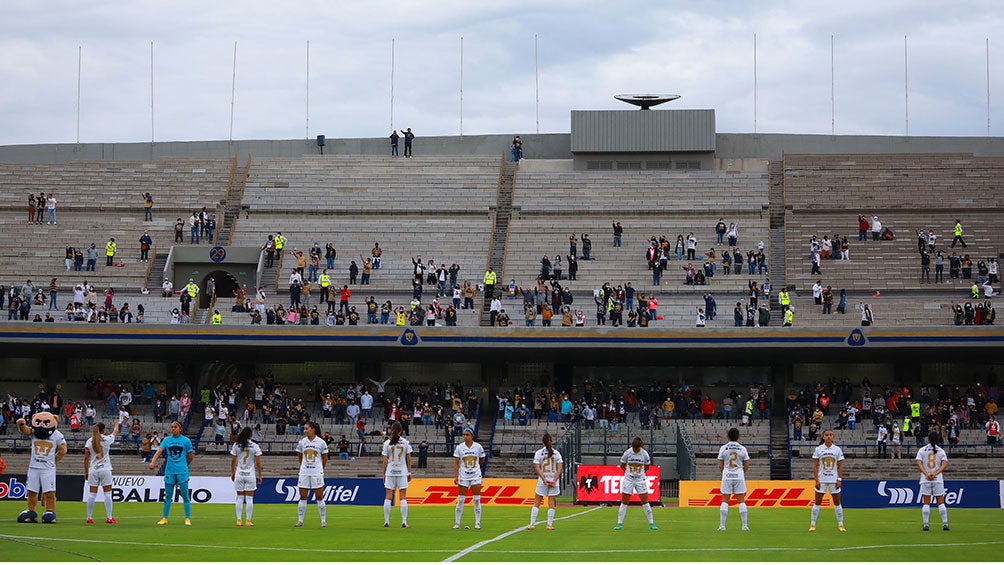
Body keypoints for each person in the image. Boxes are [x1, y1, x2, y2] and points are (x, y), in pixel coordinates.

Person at [149, 420, 194, 526]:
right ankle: (165, 518)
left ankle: (187, 518)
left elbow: (190, 455)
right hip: (170, 470)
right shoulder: (167, 440)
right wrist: (153, 461)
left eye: (175, 427)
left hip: (182, 470)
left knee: (185, 495)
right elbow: (159, 451)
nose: (173, 429)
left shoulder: (186, 441)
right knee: (168, 496)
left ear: (180, 429)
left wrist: (185, 465)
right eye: (172, 427)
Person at [614, 437, 657, 530]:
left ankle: (651, 523)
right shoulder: (627, 453)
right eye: (634, 448)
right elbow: (622, 465)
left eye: (637, 449)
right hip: (628, 479)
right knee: (625, 501)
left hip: (640, 479)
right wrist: (628, 473)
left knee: (645, 501)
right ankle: (619, 523)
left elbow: (647, 466)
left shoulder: (645, 454)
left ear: (640, 447)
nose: (635, 450)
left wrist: (640, 474)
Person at [84, 419, 121, 524]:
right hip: (105, 469)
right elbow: (115, 433)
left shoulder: (89, 441)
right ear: (103, 430)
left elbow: (86, 458)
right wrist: (116, 424)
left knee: (92, 494)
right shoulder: (106, 439)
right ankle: (109, 517)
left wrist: (86, 472)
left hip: (93, 470)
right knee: (108, 493)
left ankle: (89, 517)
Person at [809, 429, 845, 532]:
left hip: (834, 479)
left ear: (833, 437)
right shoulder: (818, 449)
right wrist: (816, 480)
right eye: (827, 435)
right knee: (818, 502)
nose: (829, 437)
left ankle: (841, 524)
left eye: (830, 435)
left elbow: (840, 466)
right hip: (822, 479)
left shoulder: (837, 450)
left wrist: (839, 479)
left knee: (837, 502)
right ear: (823, 437)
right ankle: (812, 524)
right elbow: (815, 466)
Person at [295, 421, 328, 527]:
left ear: (313, 429)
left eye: (306, 428)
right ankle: (300, 520)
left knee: (319, 496)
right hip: (304, 472)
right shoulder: (302, 442)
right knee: (303, 496)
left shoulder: (321, 442)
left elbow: (324, 458)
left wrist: (319, 468)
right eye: (304, 428)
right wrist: (303, 466)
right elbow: (300, 456)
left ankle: (323, 520)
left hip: (316, 473)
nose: (305, 430)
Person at [717, 427, 750, 531]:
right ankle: (744, 526)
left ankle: (722, 526)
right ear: (738, 437)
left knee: (725, 500)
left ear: (727, 436)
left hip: (727, 475)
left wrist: (725, 473)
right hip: (739, 475)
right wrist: (740, 473)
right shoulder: (742, 449)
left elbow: (720, 465)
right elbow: (747, 465)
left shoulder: (723, 448)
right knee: (741, 501)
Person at [453, 427, 486, 530]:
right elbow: (457, 462)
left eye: (467, 434)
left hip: (475, 474)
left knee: (476, 499)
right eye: (464, 434)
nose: (465, 436)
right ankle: (457, 523)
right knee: (461, 499)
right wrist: (456, 476)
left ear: (472, 436)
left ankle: (477, 522)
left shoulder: (478, 447)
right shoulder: (459, 447)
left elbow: (482, 459)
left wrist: (475, 468)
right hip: (463, 475)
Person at [528, 432, 563, 531]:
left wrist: (544, 479)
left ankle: (532, 524)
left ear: (542, 443)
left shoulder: (539, 453)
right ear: (551, 441)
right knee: (551, 503)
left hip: (543, 481)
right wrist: (554, 480)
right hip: (553, 480)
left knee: (537, 503)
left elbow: (537, 468)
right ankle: (549, 525)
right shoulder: (556, 453)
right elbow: (559, 468)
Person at [381, 421, 413, 528]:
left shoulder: (387, 443)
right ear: (401, 431)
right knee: (403, 497)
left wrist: (384, 473)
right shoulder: (405, 442)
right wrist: (409, 472)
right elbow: (409, 458)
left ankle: (386, 521)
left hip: (390, 471)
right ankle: (404, 521)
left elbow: (385, 460)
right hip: (402, 472)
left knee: (388, 497)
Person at [916, 431, 950, 531]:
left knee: (926, 502)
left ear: (928, 439)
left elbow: (919, 463)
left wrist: (927, 474)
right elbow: (944, 465)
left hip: (925, 479)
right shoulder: (941, 451)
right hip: (937, 479)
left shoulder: (922, 450)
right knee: (940, 501)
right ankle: (945, 524)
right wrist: (934, 474)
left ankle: (926, 524)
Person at [231, 426, 263, 527]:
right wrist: (260, 475)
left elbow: (233, 461)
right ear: (250, 435)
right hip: (250, 474)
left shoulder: (236, 445)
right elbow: (258, 463)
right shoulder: (254, 446)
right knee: (249, 499)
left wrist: (232, 472)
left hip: (239, 473)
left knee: (239, 498)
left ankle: (239, 520)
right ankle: (248, 521)